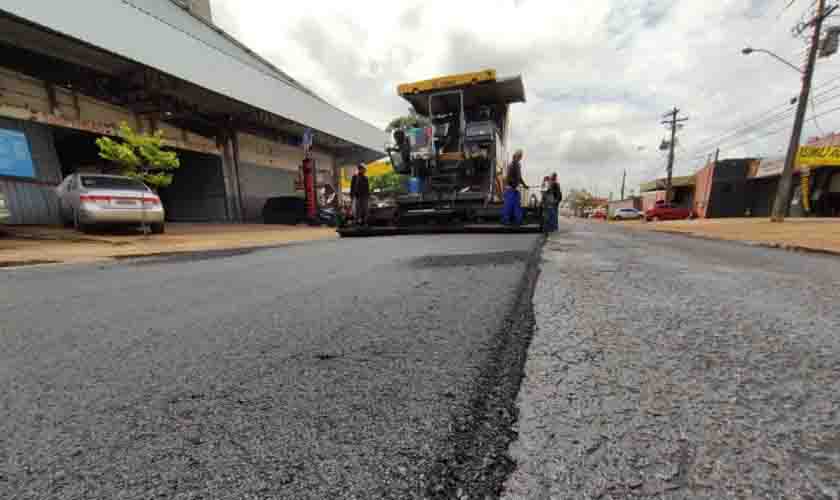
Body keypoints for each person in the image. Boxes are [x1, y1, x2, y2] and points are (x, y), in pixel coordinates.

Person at [503, 150, 529, 225]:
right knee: (509, 206)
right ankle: (506, 220)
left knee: (516, 205)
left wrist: (524, 185)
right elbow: (509, 177)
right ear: (517, 156)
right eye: (520, 156)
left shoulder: (516, 164)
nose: (521, 158)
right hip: (511, 188)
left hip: (513, 188)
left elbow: (519, 177)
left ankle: (518, 220)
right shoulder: (513, 164)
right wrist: (514, 185)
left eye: (521, 156)